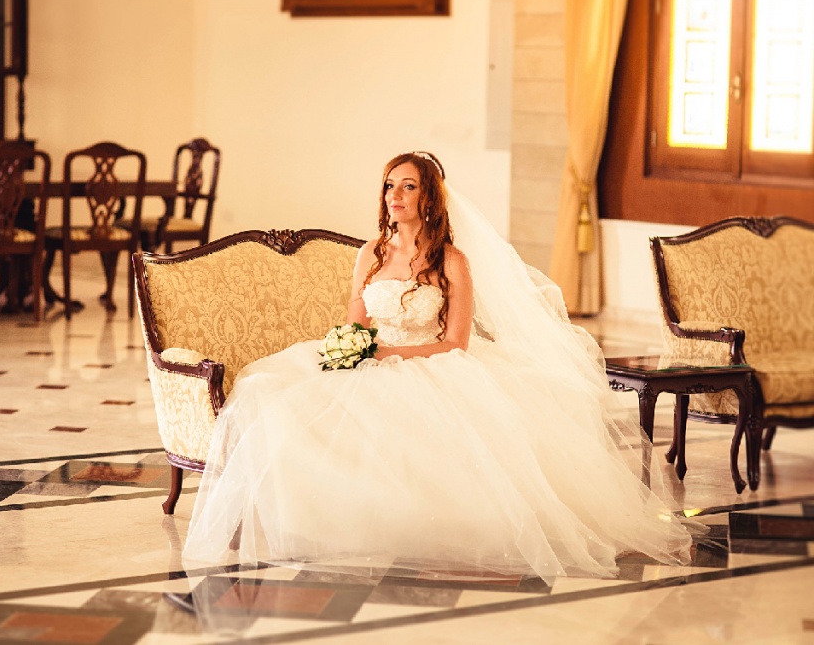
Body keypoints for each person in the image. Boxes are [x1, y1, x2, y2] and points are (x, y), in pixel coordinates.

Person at [173, 152, 697, 620]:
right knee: (276, 396)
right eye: (389, 186)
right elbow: (356, 322)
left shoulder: (451, 260)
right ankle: (319, 521)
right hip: (372, 358)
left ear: (429, 198)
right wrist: (349, 351)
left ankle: (416, 527)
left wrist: (390, 356)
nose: (394, 196)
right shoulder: (370, 253)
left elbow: (455, 343)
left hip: (433, 363)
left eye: (408, 187)